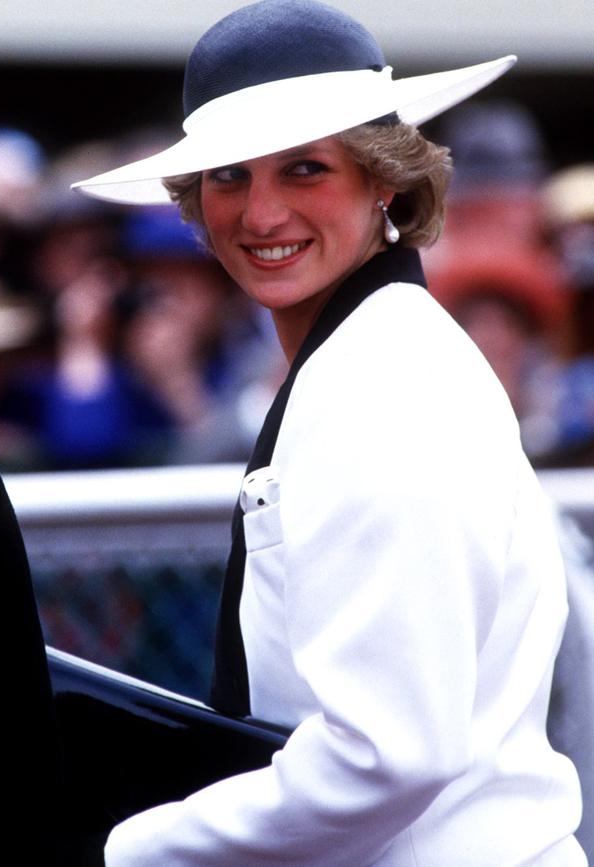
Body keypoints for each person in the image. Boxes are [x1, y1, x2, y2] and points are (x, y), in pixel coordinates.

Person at [74, 1, 585, 864]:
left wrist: (125, 851)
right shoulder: (374, 354)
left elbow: (384, 758)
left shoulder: (382, 381)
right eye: (229, 175)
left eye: (304, 169)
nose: (260, 212)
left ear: (384, 178)